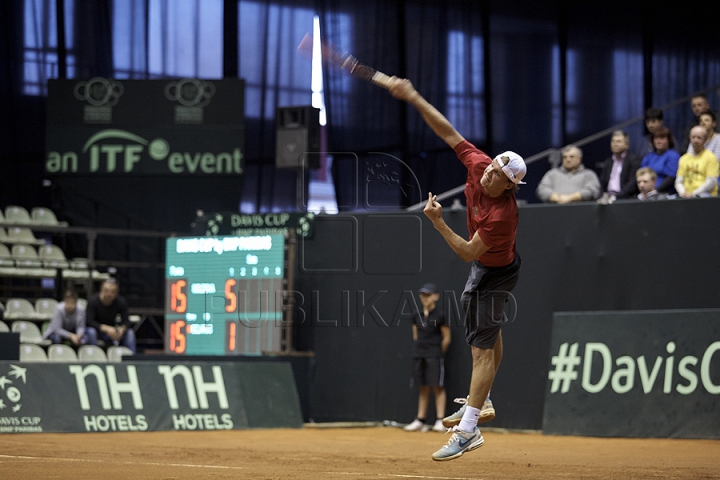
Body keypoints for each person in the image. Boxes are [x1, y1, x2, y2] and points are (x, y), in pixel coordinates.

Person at [389, 77, 524, 461]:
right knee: (487, 338)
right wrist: (414, 96)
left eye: (498, 175)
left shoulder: (501, 216)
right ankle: (484, 400)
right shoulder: (480, 163)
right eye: (493, 166)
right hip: (487, 270)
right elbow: (447, 130)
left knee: (480, 352)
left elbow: (466, 252)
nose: (488, 173)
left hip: (493, 272)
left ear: (510, 186)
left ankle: (469, 430)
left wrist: (437, 221)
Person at [404, 283, 451, 434]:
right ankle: (421, 420)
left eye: (428, 295)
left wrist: (437, 351)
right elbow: (416, 336)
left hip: (434, 355)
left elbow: (447, 338)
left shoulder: (441, 315)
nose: (425, 298)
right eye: (422, 295)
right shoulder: (415, 315)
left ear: (435, 296)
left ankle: (440, 420)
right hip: (419, 354)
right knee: (422, 386)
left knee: (437, 386)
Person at [536, 145, 601, 203]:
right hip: (554, 211)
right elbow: (542, 189)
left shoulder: (589, 175)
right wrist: (555, 197)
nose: (568, 159)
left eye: (571, 157)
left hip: (582, 212)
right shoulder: (552, 174)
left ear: (579, 159)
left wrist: (570, 198)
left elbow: (592, 191)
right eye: (565, 157)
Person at [85, 278, 137, 353]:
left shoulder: (121, 302)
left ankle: (132, 359)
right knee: (91, 332)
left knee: (130, 333)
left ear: (117, 293)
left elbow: (126, 321)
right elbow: (89, 321)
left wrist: (121, 330)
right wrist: (106, 329)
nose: (109, 294)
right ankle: (94, 356)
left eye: (113, 292)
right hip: (98, 331)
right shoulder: (93, 301)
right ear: (101, 290)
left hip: (113, 331)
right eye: (106, 291)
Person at [597, 130, 642, 203]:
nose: (615, 144)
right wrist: (600, 196)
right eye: (613, 141)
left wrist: (615, 197)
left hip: (625, 199)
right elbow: (602, 184)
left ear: (627, 145)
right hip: (607, 199)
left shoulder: (633, 160)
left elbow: (632, 184)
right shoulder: (608, 162)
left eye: (618, 141)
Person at [675, 125, 719, 198]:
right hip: (686, 194)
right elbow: (679, 181)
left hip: (705, 195)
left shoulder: (711, 157)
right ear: (690, 138)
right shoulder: (684, 158)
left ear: (706, 140)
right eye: (693, 137)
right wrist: (682, 193)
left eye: (699, 138)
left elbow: (712, 182)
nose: (695, 140)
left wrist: (693, 193)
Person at [640, 127, 680, 194]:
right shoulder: (649, 156)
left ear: (668, 140)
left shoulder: (673, 156)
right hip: (646, 191)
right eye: (656, 138)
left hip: (665, 193)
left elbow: (670, 178)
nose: (658, 141)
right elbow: (641, 174)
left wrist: (654, 191)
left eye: (662, 138)